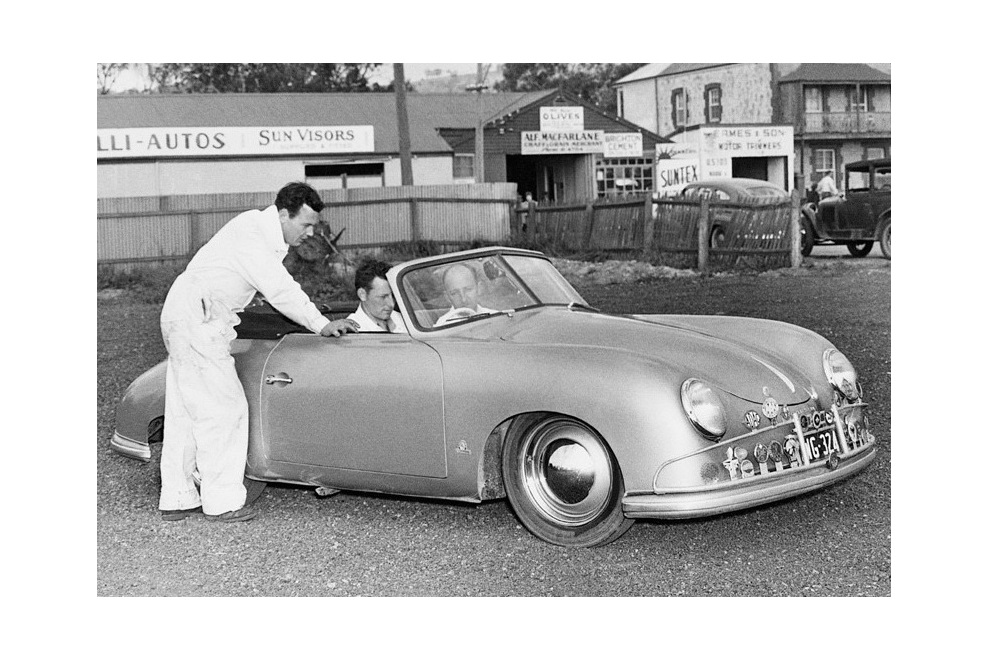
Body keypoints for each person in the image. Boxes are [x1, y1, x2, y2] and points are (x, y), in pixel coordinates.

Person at [158, 182, 358, 523]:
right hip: (199, 318)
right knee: (225, 410)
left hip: (187, 315)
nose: (309, 233)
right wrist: (320, 323)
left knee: (186, 411)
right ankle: (221, 502)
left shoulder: (257, 232)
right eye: (304, 224)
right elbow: (280, 290)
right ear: (283, 214)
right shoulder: (252, 235)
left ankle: (177, 498)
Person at [347, 258, 406, 333]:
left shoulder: (402, 319)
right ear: (362, 294)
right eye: (383, 297)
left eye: (393, 296)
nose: (391, 304)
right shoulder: (352, 332)